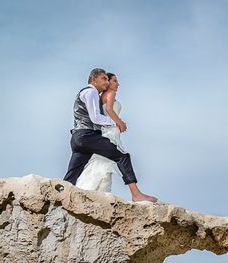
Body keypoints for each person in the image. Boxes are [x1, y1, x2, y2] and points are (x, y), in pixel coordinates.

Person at [63, 68, 157, 202]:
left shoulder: (87, 93)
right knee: (122, 156)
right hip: (87, 136)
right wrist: (116, 123)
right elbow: (95, 117)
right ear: (93, 79)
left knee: (72, 174)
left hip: (77, 138)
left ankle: (62, 196)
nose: (106, 82)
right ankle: (136, 195)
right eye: (104, 79)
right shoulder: (91, 92)